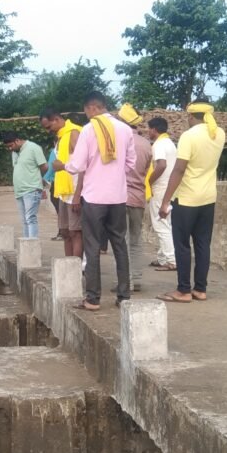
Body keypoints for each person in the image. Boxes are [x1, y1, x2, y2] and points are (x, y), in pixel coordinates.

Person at [53, 91, 136, 310]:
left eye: (86, 111)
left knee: (92, 245)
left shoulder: (89, 130)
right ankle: (124, 295)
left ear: (91, 108)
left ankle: (93, 298)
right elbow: (131, 163)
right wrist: (115, 176)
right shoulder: (125, 129)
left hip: (94, 197)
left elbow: (77, 165)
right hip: (118, 197)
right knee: (119, 244)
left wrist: (62, 165)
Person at [157, 100, 226, 303]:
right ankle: (200, 289)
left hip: (187, 199)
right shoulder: (219, 133)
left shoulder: (189, 136)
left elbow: (179, 169)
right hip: (208, 198)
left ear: (190, 116)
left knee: (182, 245)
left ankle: (183, 290)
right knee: (203, 244)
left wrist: (165, 201)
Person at [115, 104, 153, 291]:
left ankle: (125, 281)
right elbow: (146, 170)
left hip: (120, 196)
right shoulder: (146, 144)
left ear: (122, 120)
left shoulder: (118, 141)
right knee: (136, 240)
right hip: (138, 197)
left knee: (121, 241)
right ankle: (136, 278)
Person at [40, 109, 84, 256]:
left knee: (75, 232)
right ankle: (68, 263)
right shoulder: (61, 136)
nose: (48, 131)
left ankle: (77, 265)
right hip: (63, 192)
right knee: (65, 232)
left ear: (56, 120)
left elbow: (83, 165)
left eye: (48, 127)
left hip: (74, 192)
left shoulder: (74, 133)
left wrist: (78, 195)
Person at [2, 130, 48, 239]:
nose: (10, 148)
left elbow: (44, 167)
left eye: (11, 145)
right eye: (8, 147)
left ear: (17, 140)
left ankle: (32, 244)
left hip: (32, 189)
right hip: (19, 191)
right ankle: (26, 245)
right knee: (24, 220)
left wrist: (40, 181)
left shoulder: (34, 148)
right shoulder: (14, 152)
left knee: (30, 218)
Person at [146, 117, 177, 271]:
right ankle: (163, 258)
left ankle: (171, 260)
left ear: (154, 129)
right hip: (170, 187)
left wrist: (149, 181)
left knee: (160, 225)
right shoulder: (170, 143)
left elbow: (161, 165)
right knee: (166, 224)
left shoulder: (158, 144)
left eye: (149, 129)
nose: (148, 132)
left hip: (160, 188)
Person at [41, 144, 63, 241]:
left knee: (60, 210)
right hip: (67, 182)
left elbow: (51, 167)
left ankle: (62, 232)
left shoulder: (55, 151)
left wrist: (44, 179)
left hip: (57, 183)